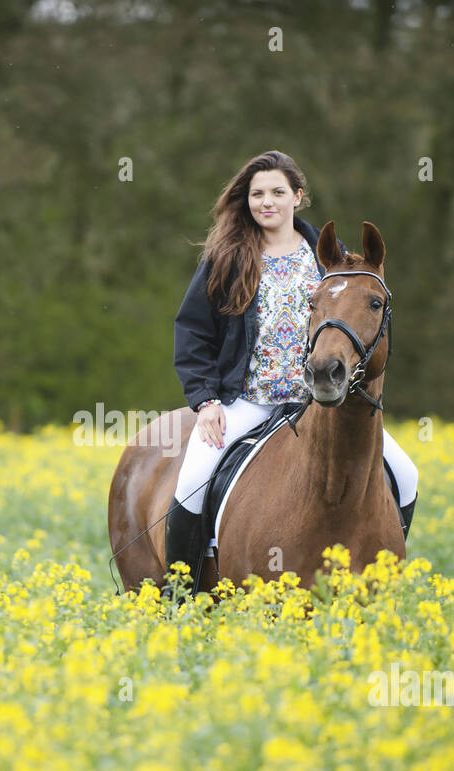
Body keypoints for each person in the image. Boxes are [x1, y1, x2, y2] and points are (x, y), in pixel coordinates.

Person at [163, 150, 418, 598]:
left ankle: (376, 577)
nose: (267, 202)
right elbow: (192, 332)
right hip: (249, 400)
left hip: (317, 403)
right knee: (191, 484)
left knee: (406, 474)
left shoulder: (329, 259)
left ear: (298, 197)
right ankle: (178, 595)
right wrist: (205, 402)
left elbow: (361, 314)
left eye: (278, 192)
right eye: (257, 194)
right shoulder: (227, 259)